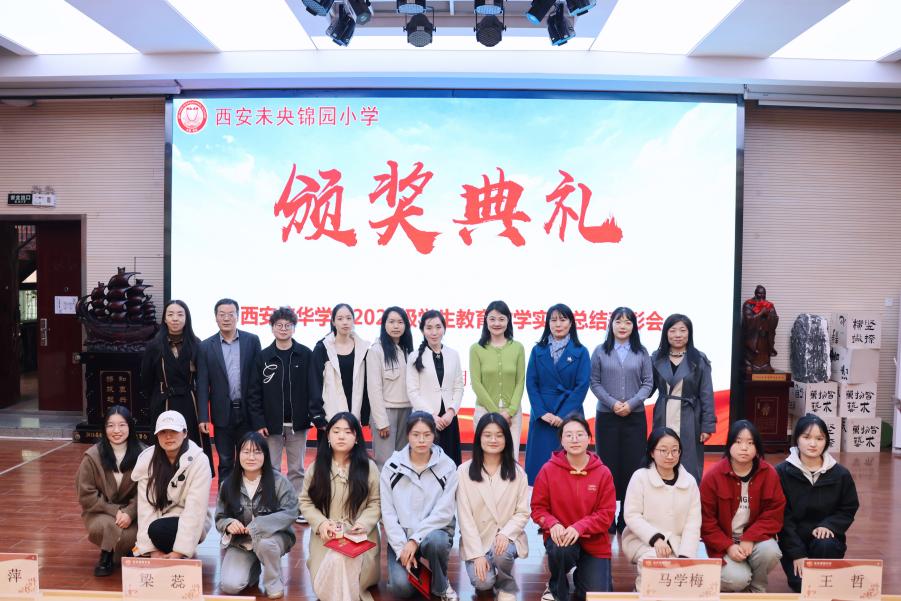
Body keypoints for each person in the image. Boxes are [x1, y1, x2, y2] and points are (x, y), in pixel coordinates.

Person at [246, 306, 322, 523]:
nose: (283, 329)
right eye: (279, 325)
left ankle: (296, 507)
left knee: (297, 469)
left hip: (298, 423)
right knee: (271, 467)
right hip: (271, 425)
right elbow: (254, 392)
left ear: (294, 328)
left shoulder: (305, 354)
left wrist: (313, 415)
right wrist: (259, 421)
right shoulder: (263, 357)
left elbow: (313, 387)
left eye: (288, 325)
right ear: (272, 328)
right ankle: (272, 505)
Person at [531, 414, 616, 601]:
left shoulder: (603, 472)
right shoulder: (548, 470)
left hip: (594, 542)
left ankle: (583, 575)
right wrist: (552, 524)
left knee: (597, 595)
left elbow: (606, 514)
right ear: (561, 440)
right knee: (561, 551)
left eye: (580, 434)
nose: (574, 439)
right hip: (562, 540)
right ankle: (556, 585)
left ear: (589, 438)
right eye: (568, 435)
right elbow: (538, 508)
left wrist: (579, 527)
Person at [299, 412, 381, 601]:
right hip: (326, 536)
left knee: (342, 561)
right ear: (328, 436)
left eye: (348, 432)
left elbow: (376, 502)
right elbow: (305, 501)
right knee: (329, 571)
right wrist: (321, 524)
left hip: (359, 536)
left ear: (356, 437)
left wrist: (363, 523)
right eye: (336, 431)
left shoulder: (369, 467)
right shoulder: (316, 468)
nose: (341, 436)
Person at [776, 413, 859, 593]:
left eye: (819, 438)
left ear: (826, 441)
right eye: (806, 437)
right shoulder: (781, 472)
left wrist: (830, 525)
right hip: (794, 543)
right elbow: (782, 517)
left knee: (824, 560)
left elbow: (848, 508)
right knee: (802, 586)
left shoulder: (840, 474)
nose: (813, 444)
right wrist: (797, 553)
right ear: (797, 439)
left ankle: (829, 574)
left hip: (827, 543)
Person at [381, 411, 459, 601]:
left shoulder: (447, 466)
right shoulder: (392, 466)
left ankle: (441, 585)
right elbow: (388, 514)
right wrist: (401, 548)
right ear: (408, 435)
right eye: (416, 435)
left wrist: (415, 540)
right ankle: (415, 570)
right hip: (402, 536)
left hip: (434, 533)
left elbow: (444, 512)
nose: (421, 440)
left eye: (427, 434)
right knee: (401, 589)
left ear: (434, 435)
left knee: (437, 543)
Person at [700, 419, 785, 593]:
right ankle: (741, 579)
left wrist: (750, 537)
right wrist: (728, 546)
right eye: (738, 442)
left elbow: (774, 512)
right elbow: (706, 521)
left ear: (757, 447)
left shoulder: (769, 473)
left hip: (754, 540)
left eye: (750, 443)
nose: (744, 448)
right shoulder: (713, 476)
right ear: (729, 445)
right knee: (737, 580)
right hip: (723, 543)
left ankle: (757, 589)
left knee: (770, 552)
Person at [590, 306, 653, 533]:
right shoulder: (600, 351)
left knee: (633, 466)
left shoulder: (641, 352)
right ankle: (606, 515)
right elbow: (594, 382)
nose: (623, 326)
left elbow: (648, 383)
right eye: (618, 321)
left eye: (627, 322)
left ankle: (626, 516)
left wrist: (632, 403)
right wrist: (613, 403)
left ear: (634, 326)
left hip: (634, 417)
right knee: (607, 466)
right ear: (611, 325)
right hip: (607, 416)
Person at [456, 413, 530, 601]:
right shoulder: (463, 472)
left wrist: (506, 534)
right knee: (483, 583)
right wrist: (477, 555)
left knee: (502, 553)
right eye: (487, 435)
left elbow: (523, 512)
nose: (493, 440)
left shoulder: (518, 473)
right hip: (478, 540)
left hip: (505, 538)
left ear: (507, 438)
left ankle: (506, 582)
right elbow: (465, 518)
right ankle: (489, 568)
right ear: (478, 438)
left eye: (499, 435)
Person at [216, 431, 298, 599]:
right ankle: (253, 569)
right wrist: (229, 524)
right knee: (230, 586)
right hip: (242, 543)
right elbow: (219, 517)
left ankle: (273, 581)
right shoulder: (228, 484)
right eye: (246, 452)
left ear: (265, 455)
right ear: (238, 455)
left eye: (257, 452)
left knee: (265, 544)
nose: (251, 457)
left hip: (273, 539)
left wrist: (259, 526)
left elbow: (291, 512)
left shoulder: (279, 482)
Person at [621, 427, 701, 589]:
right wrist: (656, 539)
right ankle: (642, 592)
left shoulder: (690, 482)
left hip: (678, 543)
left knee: (682, 575)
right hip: (643, 541)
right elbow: (632, 515)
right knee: (656, 564)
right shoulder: (640, 477)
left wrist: (686, 555)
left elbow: (693, 523)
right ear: (652, 452)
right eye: (663, 450)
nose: (670, 456)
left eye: (675, 450)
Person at [140, 299, 213, 472]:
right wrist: (155, 401)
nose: (175, 318)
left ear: (186, 319)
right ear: (164, 319)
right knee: (165, 448)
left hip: (190, 403)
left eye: (180, 314)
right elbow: (146, 382)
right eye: (170, 314)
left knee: (191, 446)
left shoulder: (196, 344)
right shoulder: (154, 346)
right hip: (163, 402)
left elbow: (203, 379)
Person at [524, 303, 591, 485]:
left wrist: (563, 416)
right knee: (539, 466)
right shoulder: (538, 350)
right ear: (548, 323)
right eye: (553, 320)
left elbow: (582, 386)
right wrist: (542, 412)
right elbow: (531, 384)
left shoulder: (581, 351)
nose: (558, 324)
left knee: (569, 467)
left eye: (562, 319)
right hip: (542, 416)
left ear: (571, 323)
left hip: (570, 415)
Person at [75, 405, 146, 577]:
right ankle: (107, 554)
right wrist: (115, 511)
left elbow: (147, 490)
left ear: (130, 426)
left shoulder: (144, 454)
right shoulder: (92, 456)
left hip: (136, 512)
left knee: (141, 530)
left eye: (122, 425)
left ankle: (119, 550)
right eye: (110, 425)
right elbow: (86, 494)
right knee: (106, 526)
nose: (116, 430)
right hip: (101, 511)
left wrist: (129, 512)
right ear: (104, 428)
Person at [132, 410, 213, 559]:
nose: (168, 437)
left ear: (185, 433)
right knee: (148, 533)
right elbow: (145, 508)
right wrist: (151, 551)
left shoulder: (199, 460)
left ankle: (183, 549)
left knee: (159, 530)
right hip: (159, 517)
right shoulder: (147, 460)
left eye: (173, 431)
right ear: (157, 435)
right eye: (163, 432)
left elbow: (195, 509)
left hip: (186, 518)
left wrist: (180, 552)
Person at [197, 297, 261, 482]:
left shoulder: (252, 341)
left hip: (247, 412)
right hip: (221, 413)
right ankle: (225, 498)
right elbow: (202, 383)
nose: (226, 318)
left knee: (248, 459)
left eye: (231, 314)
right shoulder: (205, 346)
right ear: (216, 317)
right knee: (225, 461)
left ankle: (247, 496)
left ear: (238, 316)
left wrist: (260, 415)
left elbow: (259, 379)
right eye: (222, 314)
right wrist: (203, 416)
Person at [650, 313, 716, 482]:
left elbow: (706, 394)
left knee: (689, 461)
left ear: (689, 333)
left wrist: (707, 426)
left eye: (682, 330)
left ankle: (688, 494)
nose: (678, 335)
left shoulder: (699, 359)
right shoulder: (656, 358)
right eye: (672, 330)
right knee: (661, 454)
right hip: (663, 415)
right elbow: (648, 388)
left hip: (690, 417)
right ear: (666, 333)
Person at [469, 300, 526, 460]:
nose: (497, 323)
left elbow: (520, 381)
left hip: (512, 415)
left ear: (508, 320)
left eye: (501, 319)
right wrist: (496, 413)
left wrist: (510, 411)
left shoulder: (518, 348)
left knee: (511, 459)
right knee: (485, 459)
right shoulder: (476, 349)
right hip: (484, 412)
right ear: (486, 320)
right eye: (492, 319)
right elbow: (476, 383)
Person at [407, 310, 464, 466]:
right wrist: (431, 416)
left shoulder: (453, 354)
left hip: (448, 420)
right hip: (424, 420)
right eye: (429, 327)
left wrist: (451, 412)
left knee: (450, 463)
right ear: (422, 330)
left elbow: (459, 386)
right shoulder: (414, 356)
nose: (434, 332)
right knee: (426, 463)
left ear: (444, 328)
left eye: (438, 327)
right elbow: (412, 391)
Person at [366, 306, 414, 470]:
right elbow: (374, 389)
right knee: (385, 463)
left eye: (400, 322)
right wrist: (381, 422)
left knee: (404, 461)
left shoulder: (409, 350)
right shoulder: (376, 350)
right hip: (386, 413)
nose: (396, 326)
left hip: (407, 412)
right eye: (391, 322)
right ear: (384, 325)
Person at [311, 303, 370, 422]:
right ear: (333, 322)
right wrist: (318, 415)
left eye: (348, 318)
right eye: (340, 319)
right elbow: (315, 384)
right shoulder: (322, 348)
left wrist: (365, 415)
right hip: (329, 416)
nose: (345, 322)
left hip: (355, 416)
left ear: (353, 321)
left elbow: (367, 385)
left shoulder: (363, 349)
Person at [742, 285, 778, 374]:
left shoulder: (769, 305)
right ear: (755, 293)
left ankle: (766, 364)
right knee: (751, 350)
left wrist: (769, 315)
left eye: (763, 294)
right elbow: (748, 319)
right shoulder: (748, 304)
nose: (762, 296)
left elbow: (775, 318)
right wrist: (761, 313)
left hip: (765, 334)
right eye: (759, 293)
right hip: (754, 335)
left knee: (766, 348)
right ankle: (749, 364)